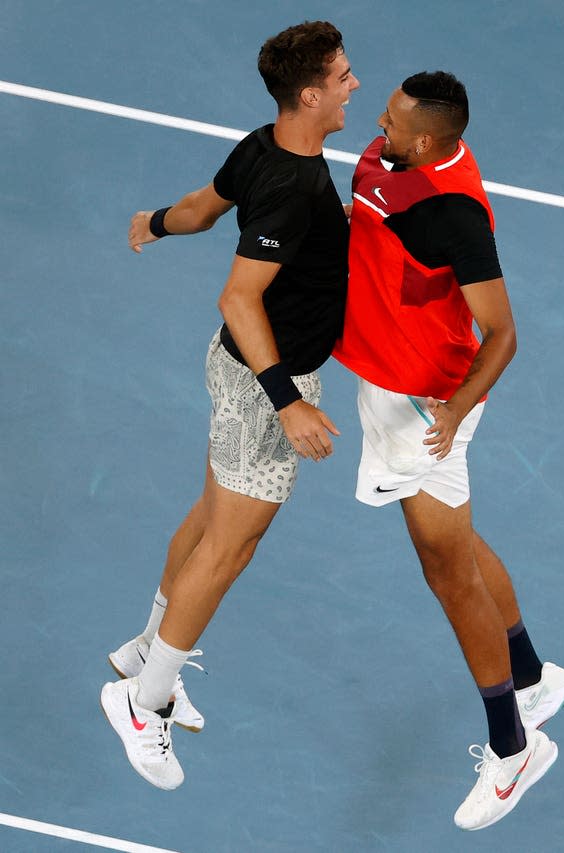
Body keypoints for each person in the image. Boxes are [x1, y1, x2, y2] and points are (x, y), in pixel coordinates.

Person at [100, 20, 359, 790]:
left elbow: (203, 207)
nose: (353, 85)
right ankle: (143, 704)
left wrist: (153, 223)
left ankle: (148, 649)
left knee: (211, 519)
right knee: (230, 548)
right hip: (263, 382)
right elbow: (239, 295)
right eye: (342, 76)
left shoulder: (263, 144)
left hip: (235, 371)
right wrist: (287, 404)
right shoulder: (295, 187)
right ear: (309, 94)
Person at [333, 71, 564, 831]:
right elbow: (374, 213)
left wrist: (456, 407)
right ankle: (534, 674)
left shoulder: (456, 214)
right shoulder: (392, 154)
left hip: (426, 400)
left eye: (395, 120)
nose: (377, 121)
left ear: (429, 141)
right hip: (388, 375)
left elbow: (503, 333)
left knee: (444, 565)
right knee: (456, 539)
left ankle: (513, 747)